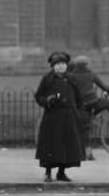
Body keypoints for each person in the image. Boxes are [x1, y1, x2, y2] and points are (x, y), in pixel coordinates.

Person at [34, 51, 83, 182]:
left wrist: (77, 112)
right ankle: (48, 172)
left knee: (66, 146)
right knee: (51, 145)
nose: (61, 66)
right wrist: (48, 100)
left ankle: (61, 172)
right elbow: (39, 96)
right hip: (52, 117)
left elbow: (78, 98)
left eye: (63, 64)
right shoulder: (47, 79)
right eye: (58, 64)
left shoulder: (71, 79)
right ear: (53, 66)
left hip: (68, 117)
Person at [68, 55, 109, 160]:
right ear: (86, 64)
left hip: (81, 105)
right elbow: (103, 86)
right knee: (106, 103)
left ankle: (86, 152)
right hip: (93, 102)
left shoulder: (72, 76)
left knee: (84, 129)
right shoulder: (91, 74)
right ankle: (96, 116)